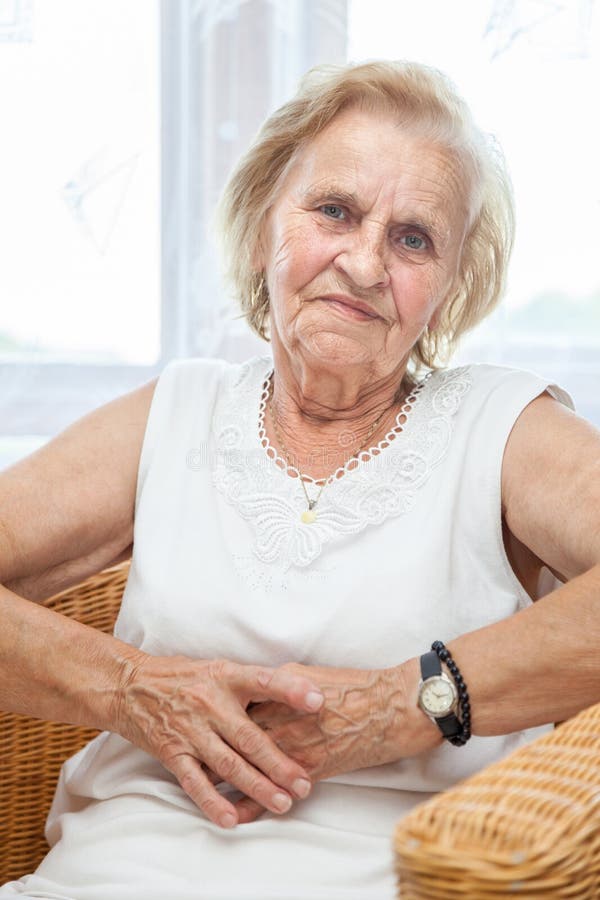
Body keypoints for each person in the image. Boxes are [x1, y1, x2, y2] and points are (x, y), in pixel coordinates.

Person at [1, 59, 599, 900]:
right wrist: (126, 687)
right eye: (334, 211)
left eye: (413, 238)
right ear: (260, 229)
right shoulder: (177, 413)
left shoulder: (499, 429)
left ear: (450, 290)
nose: (362, 264)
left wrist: (405, 704)